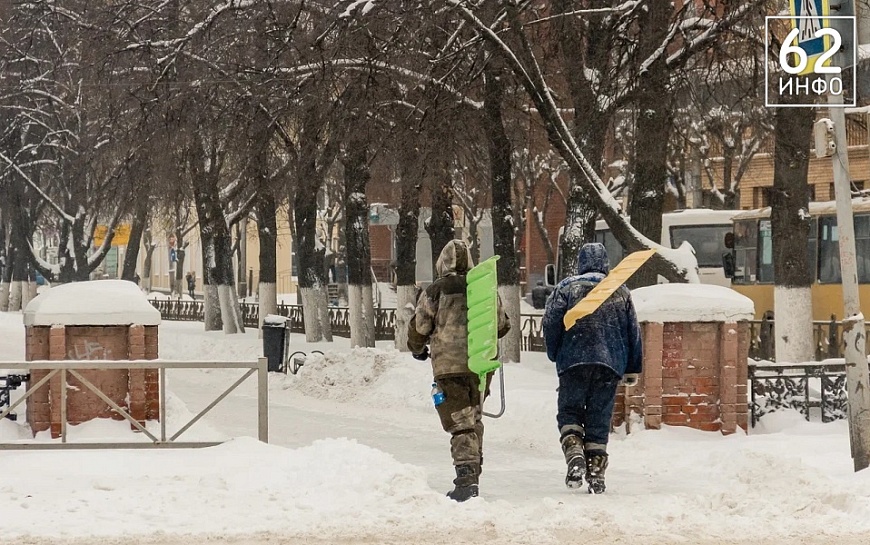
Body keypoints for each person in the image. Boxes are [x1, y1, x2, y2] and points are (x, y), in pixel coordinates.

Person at [408, 239, 510, 502]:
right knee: (473, 417)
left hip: (449, 367)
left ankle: (466, 481)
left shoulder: (436, 290)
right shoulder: (484, 288)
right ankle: (473, 471)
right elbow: (502, 325)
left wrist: (417, 348)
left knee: (459, 421)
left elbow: (420, 326)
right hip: (481, 365)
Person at [541, 242, 642, 494]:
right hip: (609, 365)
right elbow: (633, 332)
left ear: (581, 263)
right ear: (605, 264)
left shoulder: (566, 287)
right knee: (599, 417)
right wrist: (632, 367)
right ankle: (596, 474)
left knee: (570, 411)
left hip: (573, 361)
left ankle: (574, 450)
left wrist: (555, 353)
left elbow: (551, 323)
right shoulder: (621, 291)